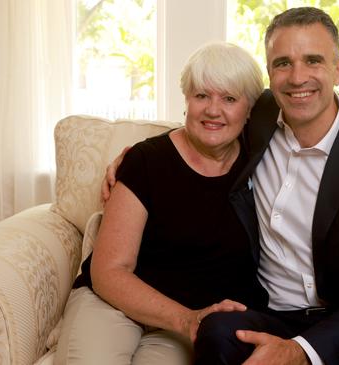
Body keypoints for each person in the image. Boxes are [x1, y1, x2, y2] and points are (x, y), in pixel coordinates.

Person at [104, 7, 339, 365]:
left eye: (313, 61)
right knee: (217, 331)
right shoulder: (260, 117)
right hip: (272, 313)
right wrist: (136, 159)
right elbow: (208, 122)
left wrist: (302, 350)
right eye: (283, 63)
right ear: (269, 73)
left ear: (338, 69)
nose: (297, 78)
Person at [54, 42, 268, 365]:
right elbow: (109, 271)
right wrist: (187, 319)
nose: (213, 110)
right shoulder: (145, 160)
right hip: (113, 304)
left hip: (184, 325)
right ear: (186, 101)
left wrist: (189, 322)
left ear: (250, 109)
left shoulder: (263, 164)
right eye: (201, 96)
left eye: (228, 98)